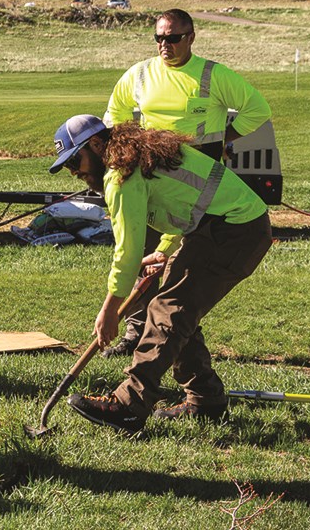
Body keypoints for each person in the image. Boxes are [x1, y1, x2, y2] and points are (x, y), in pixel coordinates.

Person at [48, 114, 272, 433]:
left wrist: (110, 310)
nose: (75, 172)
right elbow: (187, 202)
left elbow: (126, 253)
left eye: (76, 161)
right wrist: (164, 250)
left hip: (234, 230)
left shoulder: (120, 174)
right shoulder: (138, 154)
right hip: (223, 227)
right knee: (175, 311)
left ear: (96, 145)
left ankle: (129, 404)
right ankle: (205, 400)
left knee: (168, 310)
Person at [100, 8, 271, 359]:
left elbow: (257, 109)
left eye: (173, 38)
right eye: (159, 38)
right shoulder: (141, 74)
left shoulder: (212, 75)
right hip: (152, 178)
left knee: (183, 269)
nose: (166, 45)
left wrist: (227, 138)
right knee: (141, 258)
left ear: (191, 37)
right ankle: (137, 330)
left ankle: (178, 330)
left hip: (198, 185)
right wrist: (128, 146)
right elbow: (114, 113)